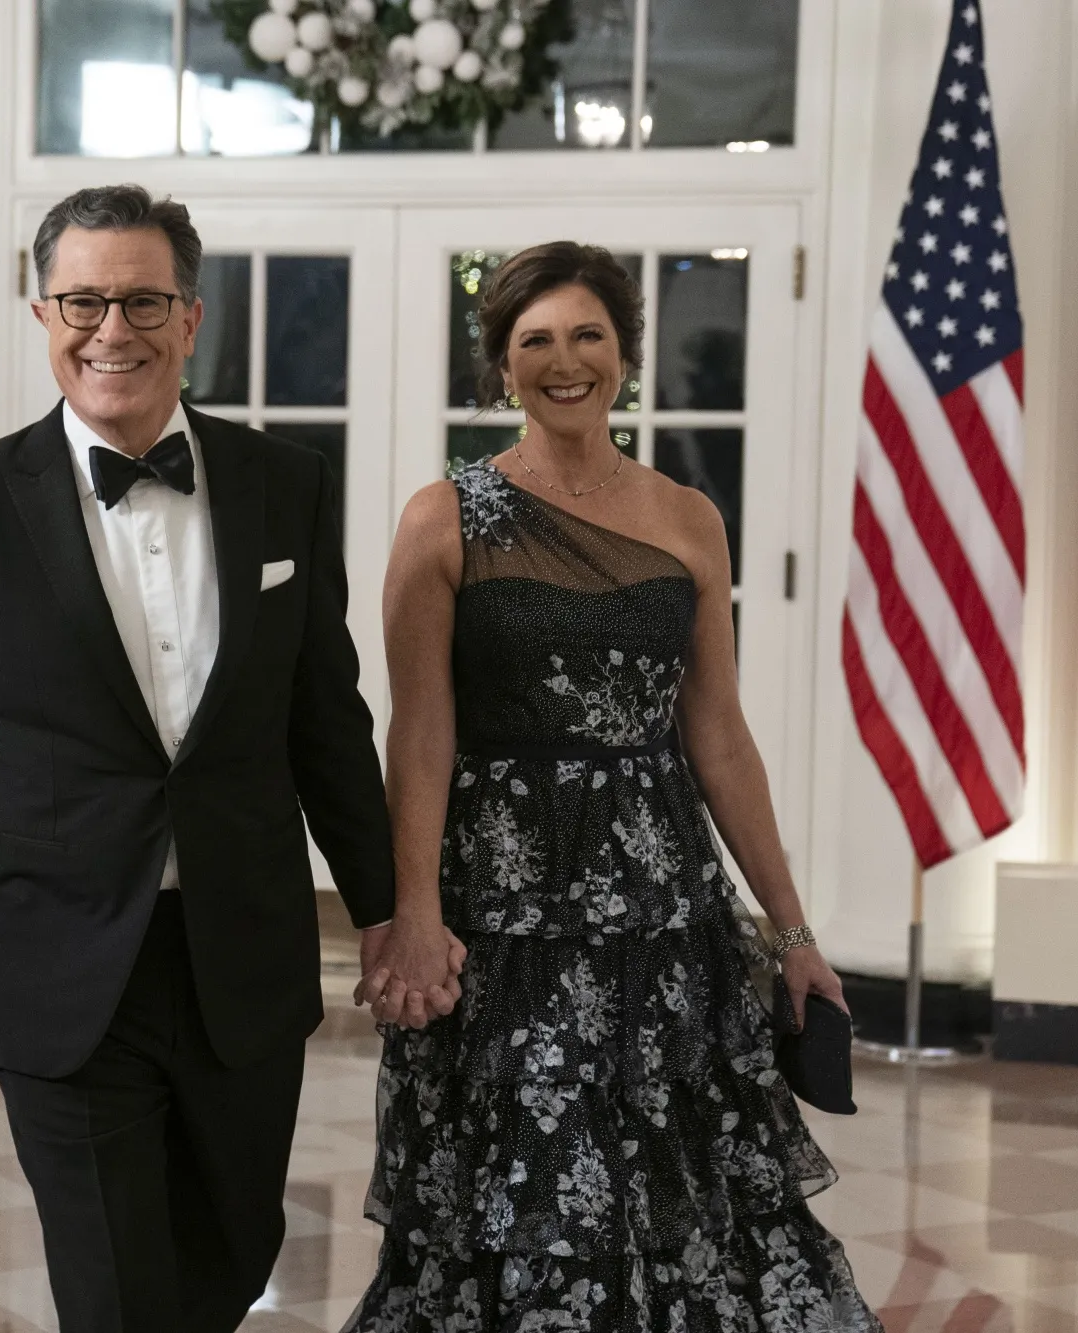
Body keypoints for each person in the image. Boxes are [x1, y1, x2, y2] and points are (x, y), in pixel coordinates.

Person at [0, 183, 464, 1333]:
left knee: (230, 1258)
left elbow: (325, 727)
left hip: (242, 957)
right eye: (83, 301)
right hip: (60, 963)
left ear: (190, 318)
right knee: (114, 1292)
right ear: (42, 315)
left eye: (143, 301)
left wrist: (390, 910)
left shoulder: (284, 485)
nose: (112, 330)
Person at [345, 243, 882, 1331]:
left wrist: (790, 931)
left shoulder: (689, 518)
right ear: (502, 366)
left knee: (680, 1188)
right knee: (520, 1189)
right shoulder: (441, 517)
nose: (564, 361)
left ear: (625, 356)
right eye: (534, 340)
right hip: (506, 915)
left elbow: (719, 737)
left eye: (586, 335)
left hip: (664, 914)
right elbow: (420, 734)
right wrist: (415, 911)